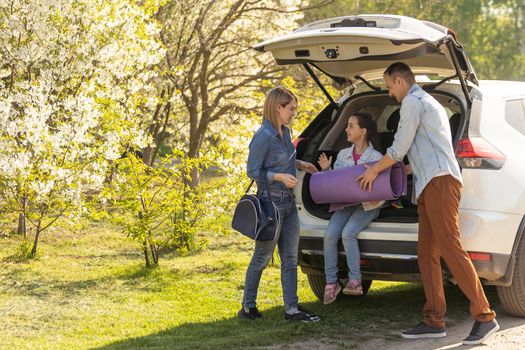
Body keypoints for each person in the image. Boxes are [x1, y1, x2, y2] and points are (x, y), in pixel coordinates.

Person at [357, 62, 499, 345]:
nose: (390, 93)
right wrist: (403, 172)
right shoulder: (426, 102)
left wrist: (374, 170)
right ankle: (434, 320)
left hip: (440, 182)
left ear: (400, 81)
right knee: (426, 253)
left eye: (389, 86)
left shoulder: (413, 101)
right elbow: (424, 150)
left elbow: (398, 148)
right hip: (430, 183)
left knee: (451, 248)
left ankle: (485, 316)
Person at [238, 86, 320, 322]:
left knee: (290, 258)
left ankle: (292, 309)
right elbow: (252, 171)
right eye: (291, 108)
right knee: (262, 258)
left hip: (289, 204)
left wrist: (302, 164)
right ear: (277, 107)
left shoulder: (286, 132)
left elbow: (284, 161)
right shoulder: (263, 136)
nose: (294, 112)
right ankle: (248, 307)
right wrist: (280, 177)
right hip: (270, 205)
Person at [317, 112, 384, 305]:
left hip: (368, 207)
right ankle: (331, 283)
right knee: (329, 235)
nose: (346, 129)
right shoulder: (342, 155)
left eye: (351, 126)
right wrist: (326, 170)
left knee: (348, 234)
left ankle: (355, 281)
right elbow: (336, 184)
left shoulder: (376, 157)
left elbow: (380, 190)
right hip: (345, 205)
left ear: (362, 131)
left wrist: (373, 200)